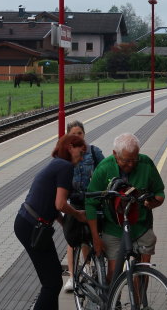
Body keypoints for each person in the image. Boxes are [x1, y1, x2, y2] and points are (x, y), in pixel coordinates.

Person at [14, 133, 88, 310]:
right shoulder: (65, 167)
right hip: (32, 226)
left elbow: (50, 200)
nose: (83, 156)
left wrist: (64, 223)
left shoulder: (56, 164)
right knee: (52, 283)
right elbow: (60, 203)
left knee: (53, 277)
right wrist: (78, 215)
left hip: (28, 222)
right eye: (81, 151)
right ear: (70, 147)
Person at [85, 132, 165, 282]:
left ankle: (140, 304)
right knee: (114, 272)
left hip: (141, 226)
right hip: (114, 228)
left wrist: (155, 202)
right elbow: (90, 204)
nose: (131, 164)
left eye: (134, 159)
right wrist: (96, 237)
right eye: (126, 161)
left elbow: (159, 191)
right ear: (115, 154)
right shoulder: (104, 169)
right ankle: (115, 303)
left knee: (143, 273)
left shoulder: (145, 163)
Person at [63, 120, 105, 293]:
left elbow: (105, 172)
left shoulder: (94, 152)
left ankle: (88, 268)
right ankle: (73, 277)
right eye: (73, 133)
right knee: (72, 241)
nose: (77, 136)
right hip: (75, 202)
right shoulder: (65, 155)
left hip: (93, 202)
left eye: (79, 133)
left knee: (90, 236)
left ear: (84, 134)